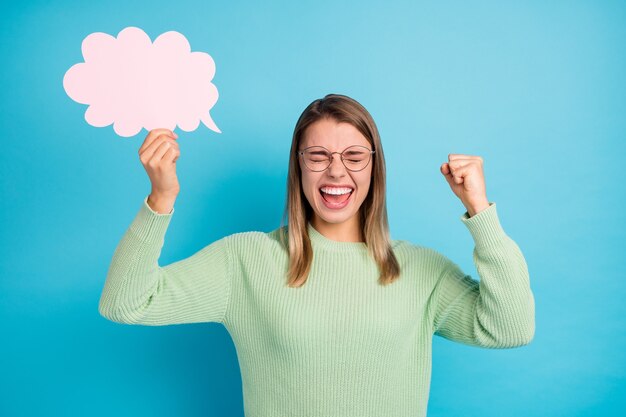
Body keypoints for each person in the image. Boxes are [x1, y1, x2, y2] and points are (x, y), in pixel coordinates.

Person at [99, 93, 535, 417]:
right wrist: (161, 197)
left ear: (374, 166)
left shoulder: (420, 269)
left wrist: (480, 211)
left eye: (354, 156)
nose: (336, 171)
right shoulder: (247, 259)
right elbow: (126, 302)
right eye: (319, 155)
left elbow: (510, 327)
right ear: (299, 165)